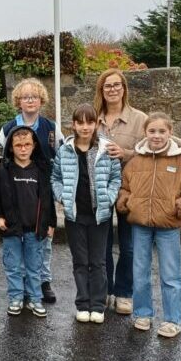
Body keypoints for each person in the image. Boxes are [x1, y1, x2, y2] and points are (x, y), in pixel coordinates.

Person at [116, 112, 181, 338]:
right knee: (140, 272)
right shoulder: (136, 160)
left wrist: (180, 207)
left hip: (168, 226)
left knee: (171, 274)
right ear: (145, 133)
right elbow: (125, 186)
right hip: (140, 225)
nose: (157, 136)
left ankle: (172, 319)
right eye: (152, 131)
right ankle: (143, 313)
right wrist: (126, 201)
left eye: (162, 131)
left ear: (170, 132)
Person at [51, 104, 121, 324]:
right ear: (73, 124)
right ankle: (83, 303)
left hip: (99, 216)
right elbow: (55, 178)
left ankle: (98, 304)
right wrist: (62, 196)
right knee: (80, 261)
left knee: (98, 261)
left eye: (89, 122)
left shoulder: (106, 149)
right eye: (80, 122)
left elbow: (116, 179)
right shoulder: (65, 150)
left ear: (96, 124)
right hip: (75, 216)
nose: (85, 127)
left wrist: (109, 198)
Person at [0, 77, 61, 304]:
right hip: (15, 189)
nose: (30, 100)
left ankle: (43, 280)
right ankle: (21, 282)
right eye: (25, 97)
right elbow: (0, 159)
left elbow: (58, 158)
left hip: (41, 189)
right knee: (17, 240)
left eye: (34, 96)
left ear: (41, 100)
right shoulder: (7, 129)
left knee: (43, 240)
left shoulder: (51, 129)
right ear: (18, 101)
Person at [94, 68, 149, 317]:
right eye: (108, 86)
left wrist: (126, 153)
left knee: (128, 246)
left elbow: (151, 153)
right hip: (101, 189)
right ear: (101, 91)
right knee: (102, 244)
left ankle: (124, 292)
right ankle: (104, 290)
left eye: (117, 85)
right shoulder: (93, 118)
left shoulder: (140, 119)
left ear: (124, 88)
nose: (113, 89)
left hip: (130, 190)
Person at [0, 127, 57, 317]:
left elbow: (48, 200)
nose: (23, 149)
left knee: (34, 266)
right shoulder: (3, 171)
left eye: (27, 144)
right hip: (11, 227)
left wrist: (50, 223)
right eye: (18, 145)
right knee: (13, 266)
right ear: (11, 147)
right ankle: (16, 297)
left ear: (34, 146)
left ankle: (35, 298)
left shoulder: (41, 171)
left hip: (35, 230)